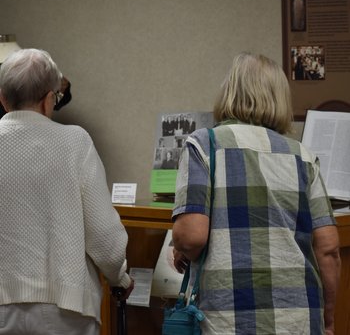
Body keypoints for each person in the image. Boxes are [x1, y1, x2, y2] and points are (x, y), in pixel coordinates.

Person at [171, 52, 341, 335]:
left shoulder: (204, 145)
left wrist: (180, 246)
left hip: (228, 320)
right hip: (299, 320)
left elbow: (191, 236)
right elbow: (328, 249)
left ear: (229, 91)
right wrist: (330, 319)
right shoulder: (303, 156)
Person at [0, 48, 134, 335]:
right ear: (50, 100)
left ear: (2, 98)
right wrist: (119, 278)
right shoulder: (75, 142)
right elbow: (104, 237)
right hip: (64, 310)